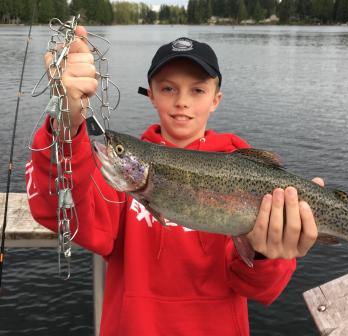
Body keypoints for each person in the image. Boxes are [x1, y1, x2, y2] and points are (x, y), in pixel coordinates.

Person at [26, 26, 323, 335]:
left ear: (215, 99)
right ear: (151, 95)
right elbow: (61, 212)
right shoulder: (118, 185)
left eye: (197, 90)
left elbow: (261, 288)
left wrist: (267, 252)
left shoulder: (246, 173)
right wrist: (66, 124)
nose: (182, 101)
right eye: (168, 88)